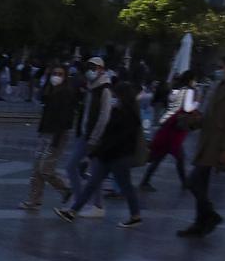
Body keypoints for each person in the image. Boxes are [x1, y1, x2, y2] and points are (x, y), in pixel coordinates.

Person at [56, 79, 144, 228]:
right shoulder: (119, 111)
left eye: (117, 95)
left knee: (126, 186)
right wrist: (97, 152)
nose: (115, 98)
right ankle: (72, 212)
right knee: (92, 184)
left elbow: (117, 138)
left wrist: (97, 152)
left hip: (119, 157)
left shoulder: (129, 115)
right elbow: (109, 135)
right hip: (108, 155)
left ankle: (135, 216)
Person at [179, 55, 225, 238]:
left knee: (193, 182)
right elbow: (209, 112)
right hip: (206, 139)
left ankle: (209, 216)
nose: (219, 70)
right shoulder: (217, 86)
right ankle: (201, 222)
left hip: (217, 144)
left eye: (221, 67)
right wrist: (196, 120)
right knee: (200, 184)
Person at [60, 58, 114, 217]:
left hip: (95, 138)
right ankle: (82, 202)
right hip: (85, 134)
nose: (90, 70)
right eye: (88, 67)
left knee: (89, 170)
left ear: (101, 69)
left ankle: (93, 206)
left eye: (94, 67)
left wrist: (94, 138)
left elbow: (105, 116)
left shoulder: (105, 89)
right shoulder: (91, 87)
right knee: (74, 167)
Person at [20, 64, 77, 210]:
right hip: (45, 132)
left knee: (45, 169)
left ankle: (64, 188)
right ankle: (34, 200)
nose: (56, 76)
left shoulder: (67, 93)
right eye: (55, 73)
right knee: (36, 169)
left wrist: (57, 140)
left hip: (57, 134)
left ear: (65, 77)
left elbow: (66, 118)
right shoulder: (49, 91)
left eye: (60, 74)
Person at [140, 71, 200, 192]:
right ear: (190, 80)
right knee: (175, 157)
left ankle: (146, 181)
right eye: (194, 79)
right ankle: (184, 183)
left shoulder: (176, 88)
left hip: (169, 128)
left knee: (162, 157)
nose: (195, 82)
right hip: (174, 130)